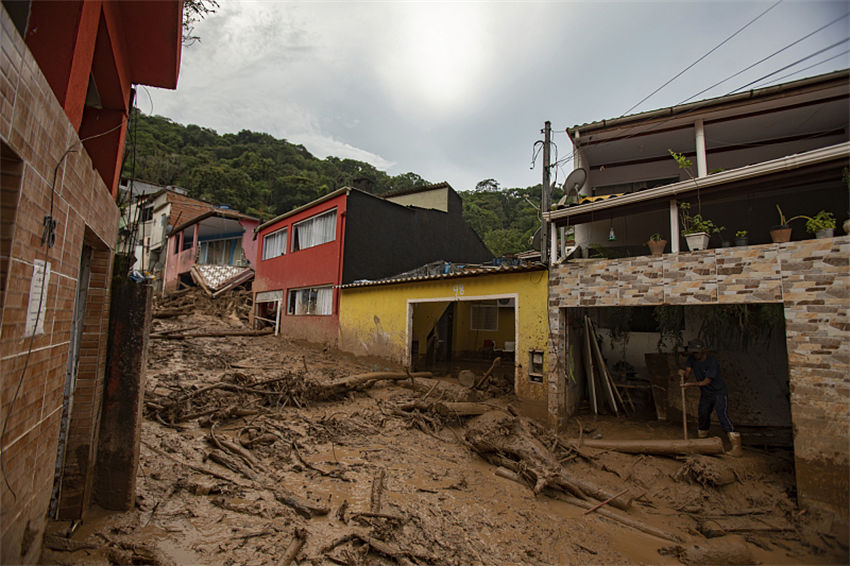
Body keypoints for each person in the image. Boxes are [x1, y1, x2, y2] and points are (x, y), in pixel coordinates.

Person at [679, 339, 742, 456]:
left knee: (721, 415)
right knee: (703, 415)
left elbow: (706, 382)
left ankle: (736, 446)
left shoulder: (711, 362)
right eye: (694, 353)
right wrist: (683, 374)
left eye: (697, 352)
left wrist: (690, 385)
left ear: (703, 350)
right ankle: (703, 444)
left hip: (718, 393)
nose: (695, 355)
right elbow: (687, 373)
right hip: (706, 394)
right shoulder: (692, 359)